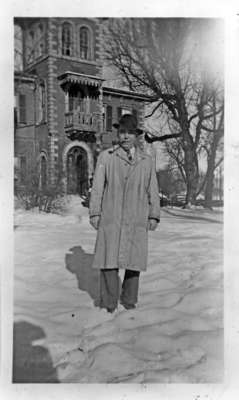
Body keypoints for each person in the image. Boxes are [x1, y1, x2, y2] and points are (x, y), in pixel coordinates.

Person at [89, 114, 160, 313]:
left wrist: (154, 214)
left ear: (137, 135)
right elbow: (97, 188)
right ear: (118, 133)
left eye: (130, 132)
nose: (126, 136)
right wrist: (95, 212)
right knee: (108, 259)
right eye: (122, 132)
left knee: (133, 260)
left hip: (136, 216)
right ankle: (109, 304)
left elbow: (152, 188)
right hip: (111, 216)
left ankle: (129, 300)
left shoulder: (146, 160)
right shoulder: (106, 157)